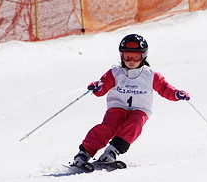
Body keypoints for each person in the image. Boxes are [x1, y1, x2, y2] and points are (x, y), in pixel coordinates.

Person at [70, 33, 190, 168]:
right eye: (127, 56)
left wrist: (176, 94)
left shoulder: (150, 75)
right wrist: (97, 87)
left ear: (143, 56)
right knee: (108, 127)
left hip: (140, 109)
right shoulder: (115, 72)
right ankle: (83, 154)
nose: (131, 60)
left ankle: (111, 152)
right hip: (117, 107)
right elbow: (102, 87)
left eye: (136, 56)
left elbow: (164, 88)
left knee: (135, 123)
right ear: (121, 56)